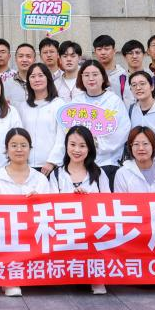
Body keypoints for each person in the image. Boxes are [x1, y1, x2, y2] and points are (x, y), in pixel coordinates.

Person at [0, 128, 49, 297]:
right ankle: (10, 279)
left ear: (30, 148)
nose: (19, 149)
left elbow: (51, 210)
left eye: (23, 145)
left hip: (33, 231)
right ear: (7, 149)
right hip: (6, 232)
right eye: (14, 145)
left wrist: (39, 200)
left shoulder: (40, 179)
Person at [50, 125, 109, 294]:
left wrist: (87, 200)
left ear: (89, 148)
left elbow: (108, 203)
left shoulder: (98, 173)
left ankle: (96, 277)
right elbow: (51, 204)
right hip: (65, 228)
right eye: (72, 144)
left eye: (82, 146)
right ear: (66, 146)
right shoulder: (56, 174)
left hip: (93, 228)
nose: (77, 150)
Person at [75, 60, 129, 175]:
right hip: (81, 163)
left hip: (108, 162)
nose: (91, 79)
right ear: (81, 78)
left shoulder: (113, 101)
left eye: (95, 74)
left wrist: (97, 145)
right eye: (86, 75)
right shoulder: (76, 102)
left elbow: (122, 131)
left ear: (103, 77)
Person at [17, 62, 63, 174]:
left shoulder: (59, 104)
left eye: (41, 75)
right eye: (32, 76)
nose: (37, 79)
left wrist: (52, 162)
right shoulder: (23, 107)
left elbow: (62, 136)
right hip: (26, 166)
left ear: (48, 78)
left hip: (51, 166)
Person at [114, 126, 155, 193]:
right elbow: (119, 199)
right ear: (130, 147)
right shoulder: (123, 174)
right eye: (136, 144)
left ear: (153, 146)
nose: (141, 148)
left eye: (145, 144)